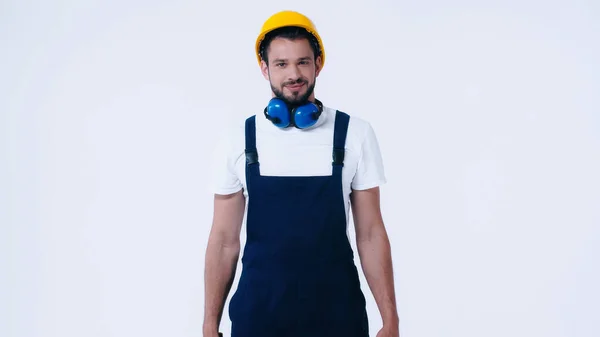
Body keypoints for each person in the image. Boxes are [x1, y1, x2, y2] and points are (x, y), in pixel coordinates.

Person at [203, 10, 399, 337]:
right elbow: (224, 241)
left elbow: (370, 233)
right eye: (281, 64)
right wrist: (210, 324)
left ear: (318, 64)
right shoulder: (238, 139)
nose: (293, 74)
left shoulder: (354, 134)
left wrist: (390, 319)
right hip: (258, 318)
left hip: (339, 318)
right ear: (264, 68)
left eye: (303, 62)